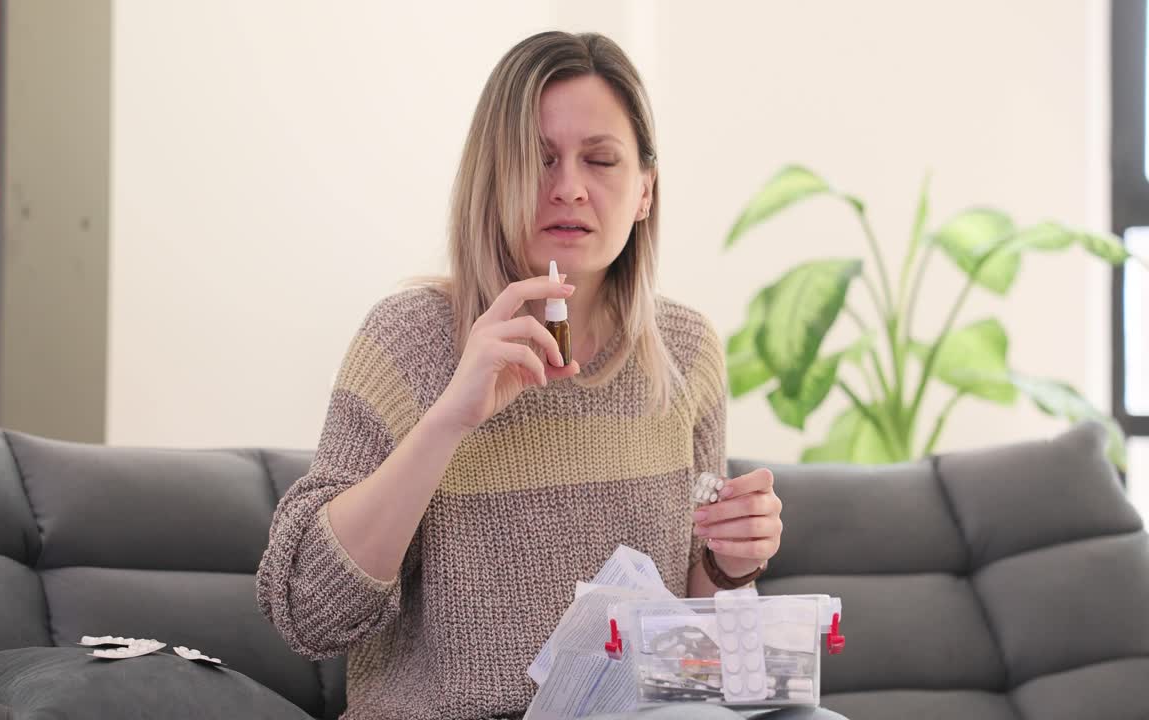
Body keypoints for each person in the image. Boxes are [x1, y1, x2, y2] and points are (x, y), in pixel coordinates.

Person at [257, 31, 842, 720]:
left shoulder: (686, 352)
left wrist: (726, 563)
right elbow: (305, 613)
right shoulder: (407, 340)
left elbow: (688, 642)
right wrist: (450, 417)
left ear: (645, 191)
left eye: (600, 160)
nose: (568, 188)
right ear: (491, 177)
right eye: (538, 161)